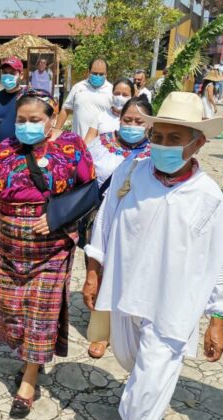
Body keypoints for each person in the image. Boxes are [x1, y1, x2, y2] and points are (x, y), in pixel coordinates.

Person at [83, 92, 223, 420]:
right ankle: (141, 402)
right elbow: (104, 223)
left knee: (154, 369)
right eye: (158, 137)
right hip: (125, 291)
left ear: (197, 142)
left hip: (174, 304)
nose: (163, 146)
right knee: (132, 360)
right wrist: (93, 272)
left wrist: (218, 317)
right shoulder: (130, 174)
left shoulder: (209, 196)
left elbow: (222, 258)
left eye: (174, 139)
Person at [0, 88, 95, 418]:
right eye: (21, 120)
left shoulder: (71, 147)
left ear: (52, 118)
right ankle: (26, 357)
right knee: (12, 309)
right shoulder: (5, 148)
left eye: (34, 119)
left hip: (51, 248)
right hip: (9, 247)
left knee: (40, 313)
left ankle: (28, 380)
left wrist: (59, 219)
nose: (26, 125)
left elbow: (89, 190)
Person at [83, 96, 152, 361]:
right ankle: (100, 331)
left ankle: (125, 326)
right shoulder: (102, 142)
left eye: (139, 121)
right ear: (119, 119)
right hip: (99, 216)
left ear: (148, 125)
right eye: (127, 120)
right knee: (96, 270)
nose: (132, 125)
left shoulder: (155, 151)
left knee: (125, 273)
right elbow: (84, 171)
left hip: (135, 224)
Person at [56, 58, 113, 137]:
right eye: (95, 73)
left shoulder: (112, 91)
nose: (98, 76)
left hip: (101, 144)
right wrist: (56, 130)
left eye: (101, 74)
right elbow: (66, 109)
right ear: (88, 72)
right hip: (78, 142)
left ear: (106, 74)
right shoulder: (78, 88)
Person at [83, 78, 136, 144]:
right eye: (117, 93)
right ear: (112, 95)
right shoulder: (100, 117)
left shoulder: (137, 120)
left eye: (125, 95)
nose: (120, 97)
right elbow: (87, 144)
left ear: (132, 97)